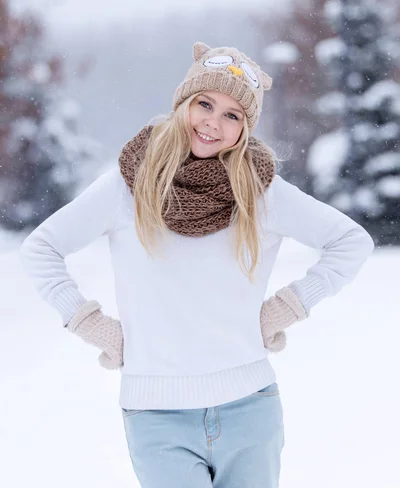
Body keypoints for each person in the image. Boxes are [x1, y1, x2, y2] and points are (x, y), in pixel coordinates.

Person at [19, 41, 375, 488]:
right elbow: (40, 249)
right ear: (183, 103)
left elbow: (350, 241)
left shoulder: (261, 191)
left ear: (245, 129)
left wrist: (290, 305)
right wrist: (89, 323)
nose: (213, 122)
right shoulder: (128, 186)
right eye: (204, 104)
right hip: (156, 416)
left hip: (250, 407)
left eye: (233, 115)